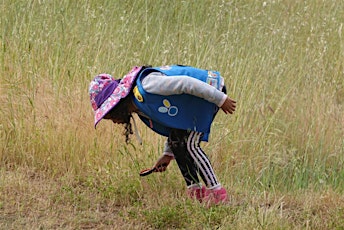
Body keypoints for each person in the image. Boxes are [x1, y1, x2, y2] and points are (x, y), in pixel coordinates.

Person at [89, 65, 236, 206]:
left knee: (191, 145)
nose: (114, 121)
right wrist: (167, 154)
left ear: (117, 105)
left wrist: (220, 99)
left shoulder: (147, 86)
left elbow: (185, 82)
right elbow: (175, 125)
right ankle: (195, 192)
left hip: (209, 91)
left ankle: (218, 194)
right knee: (177, 143)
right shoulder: (139, 107)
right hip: (192, 103)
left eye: (110, 116)